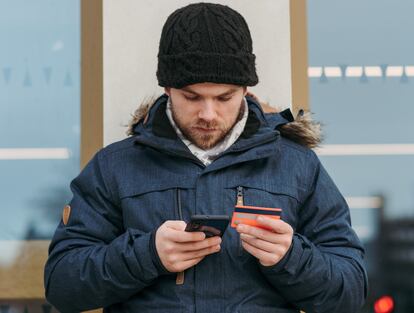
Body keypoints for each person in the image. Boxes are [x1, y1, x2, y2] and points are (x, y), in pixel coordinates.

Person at [44, 3, 367, 313]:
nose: (208, 114)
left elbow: (349, 294)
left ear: (246, 90)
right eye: (192, 97)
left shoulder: (298, 165)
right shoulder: (114, 166)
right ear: (168, 89)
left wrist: (291, 257)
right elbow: (62, 286)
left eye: (224, 97)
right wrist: (147, 255)